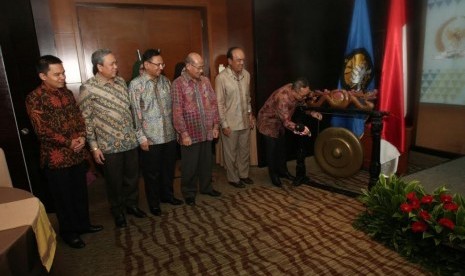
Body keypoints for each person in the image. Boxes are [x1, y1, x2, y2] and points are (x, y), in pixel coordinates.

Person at [26, 55, 103, 249]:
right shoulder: (34, 98)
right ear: (43, 76)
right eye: (57, 74)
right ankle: (69, 233)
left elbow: (79, 118)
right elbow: (42, 130)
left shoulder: (67, 93)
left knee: (80, 193)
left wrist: (82, 137)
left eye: (63, 73)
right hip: (56, 159)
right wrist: (69, 142)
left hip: (77, 154)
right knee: (63, 198)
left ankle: (83, 225)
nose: (62, 77)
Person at [79, 49, 147, 228]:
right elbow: (86, 120)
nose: (116, 67)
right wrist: (93, 147)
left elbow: (129, 111)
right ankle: (118, 212)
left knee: (132, 178)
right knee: (114, 182)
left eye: (116, 63)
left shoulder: (121, 83)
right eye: (112, 64)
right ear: (99, 67)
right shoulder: (88, 88)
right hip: (109, 146)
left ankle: (132, 205)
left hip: (130, 141)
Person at [128, 49, 183, 216]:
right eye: (157, 64)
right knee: (151, 174)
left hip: (169, 135)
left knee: (168, 170)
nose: (161, 67)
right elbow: (135, 113)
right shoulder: (136, 85)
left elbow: (173, 108)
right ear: (146, 65)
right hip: (150, 138)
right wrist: (141, 137)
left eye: (162, 64)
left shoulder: (165, 81)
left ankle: (168, 195)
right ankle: (154, 202)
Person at [171, 52, 221, 206]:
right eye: (198, 67)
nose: (201, 70)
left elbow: (213, 103)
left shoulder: (205, 81)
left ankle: (206, 187)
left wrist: (215, 125)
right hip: (190, 134)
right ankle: (189, 192)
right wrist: (183, 133)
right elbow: (177, 111)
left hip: (206, 130)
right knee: (190, 166)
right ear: (188, 66)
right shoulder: (178, 84)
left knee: (206, 163)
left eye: (202, 67)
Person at [257, 77, 323, 187]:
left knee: (281, 149)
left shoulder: (297, 90)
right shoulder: (283, 98)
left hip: (280, 121)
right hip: (268, 121)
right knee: (272, 151)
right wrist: (301, 128)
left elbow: (301, 104)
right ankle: (274, 176)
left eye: (306, 94)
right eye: (303, 95)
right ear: (295, 91)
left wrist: (311, 112)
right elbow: (286, 122)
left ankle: (283, 172)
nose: (304, 97)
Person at [215, 47, 255, 188]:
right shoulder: (221, 78)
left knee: (244, 151)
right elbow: (219, 103)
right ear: (230, 61)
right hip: (230, 123)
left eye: (243, 60)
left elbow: (247, 98)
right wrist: (223, 124)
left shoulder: (247, 75)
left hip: (244, 120)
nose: (241, 63)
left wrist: (250, 115)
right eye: (238, 60)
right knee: (230, 153)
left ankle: (243, 175)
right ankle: (233, 178)